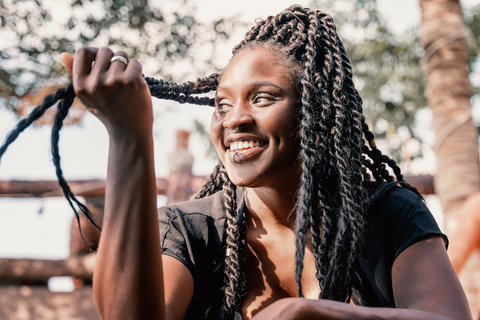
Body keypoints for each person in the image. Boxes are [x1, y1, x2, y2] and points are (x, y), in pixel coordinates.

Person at [59, 5, 471, 320]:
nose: (234, 119)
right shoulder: (188, 231)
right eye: (222, 103)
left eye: (262, 97)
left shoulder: (388, 213)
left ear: (317, 113)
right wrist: (129, 137)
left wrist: (316, 312)